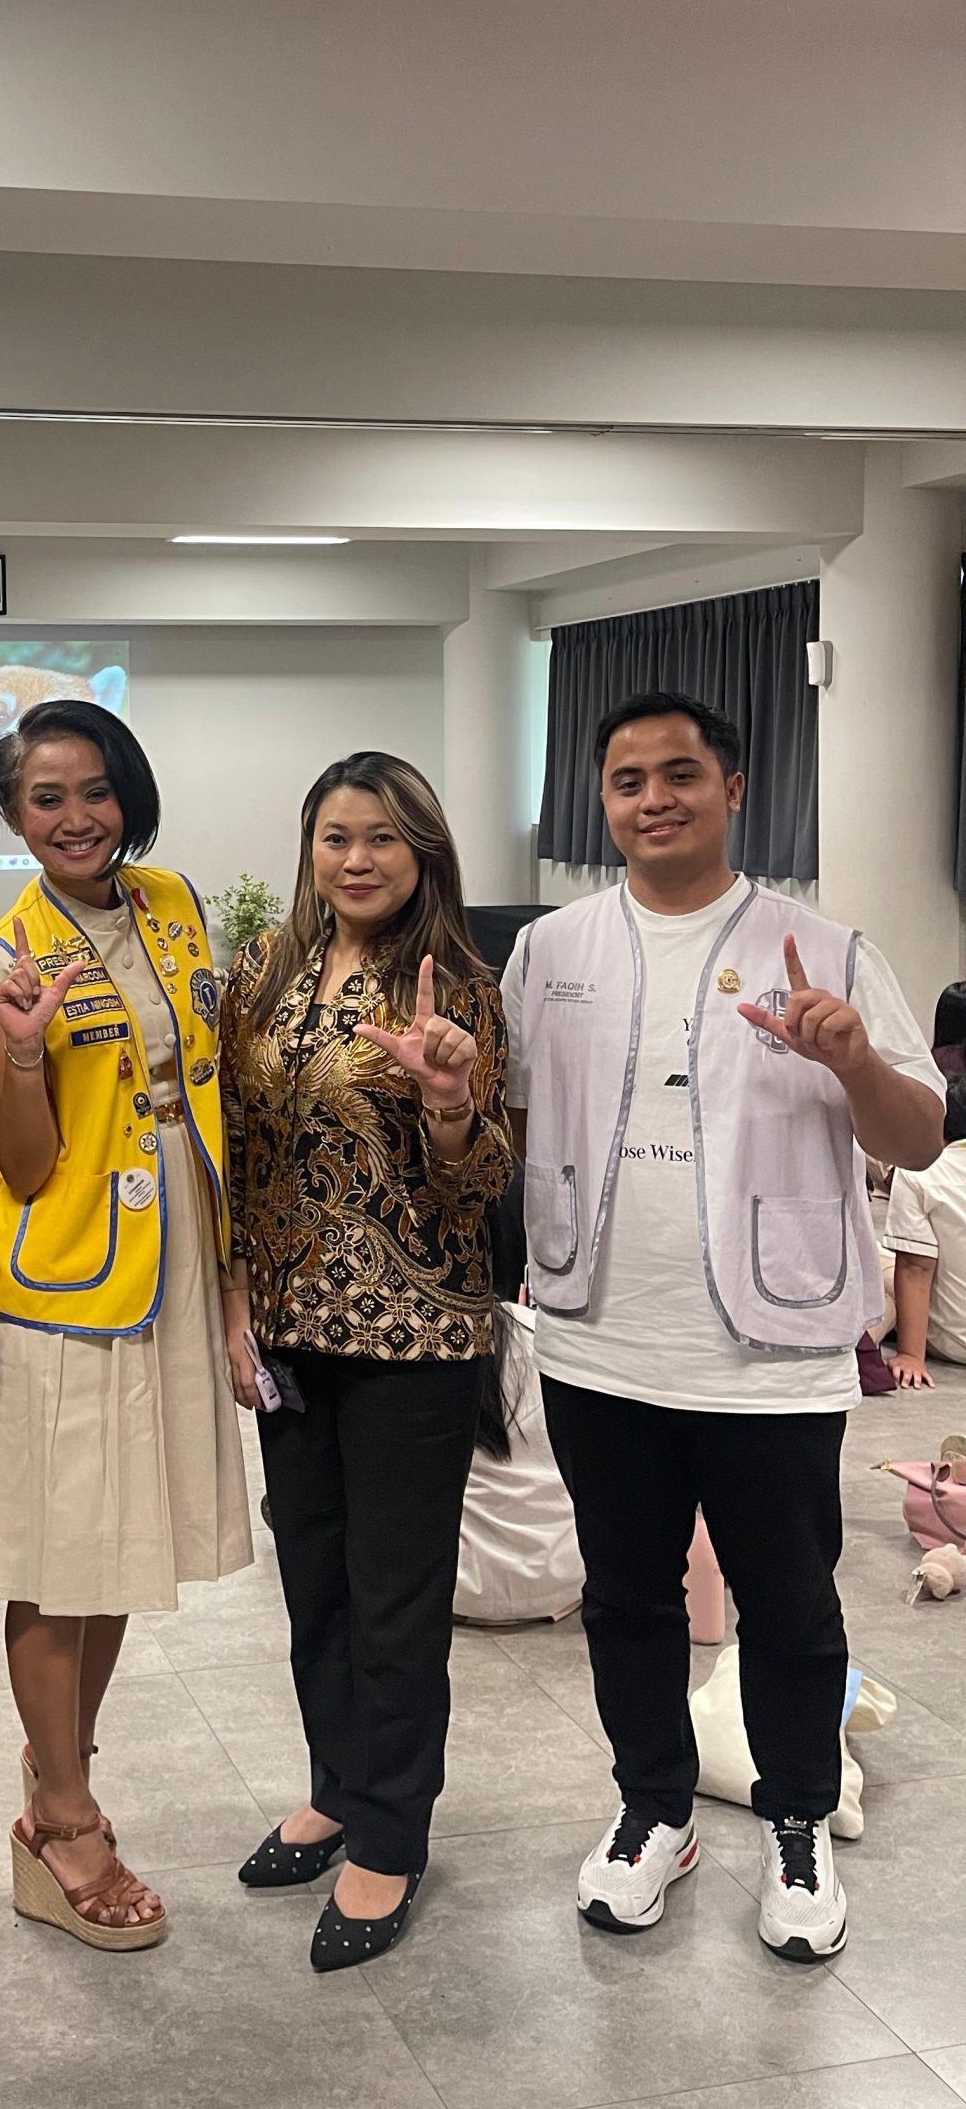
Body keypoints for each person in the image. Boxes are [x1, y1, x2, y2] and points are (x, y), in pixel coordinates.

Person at [504, 689, 943, 1961]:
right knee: (627, 1598)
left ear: (734, 788)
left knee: (790, 1606)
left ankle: (797, 1819)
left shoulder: (831, 950)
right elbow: (517, 1123)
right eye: (628, 778)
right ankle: (654, 1809)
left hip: (773, 1354)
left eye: (681, 773)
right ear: (604, 799)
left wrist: (853, 1060)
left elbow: (919, 1135)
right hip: (599, 1338)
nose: (655, 798)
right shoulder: (551, 949)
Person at [0, 699, 250, 1949]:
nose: (77, 818)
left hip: (174, 1246)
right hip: (65, 1279)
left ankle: (57, 1773)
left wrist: (234, 1269)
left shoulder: (170, 904)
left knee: (117, 1543)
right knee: (56, 1553)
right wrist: (22, 1053)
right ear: (12, 817)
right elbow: (18, 1162)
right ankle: (64, 1817)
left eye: (96, 789)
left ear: (130, 792)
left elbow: (207, 1073)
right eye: (46, 798)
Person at [220, 750, 511, 1970]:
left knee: (396, 1600)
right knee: (317, 1585)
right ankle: (339, 1784)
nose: (357, 858)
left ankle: (392, 1831)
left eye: (383, 837)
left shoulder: (460, 986)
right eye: (337, 836)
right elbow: (236, 1148)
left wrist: (448, 1100)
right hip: (291, 1335)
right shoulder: (262, 972)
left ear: (422, 851)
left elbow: (483, 1178)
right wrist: (237, 1298)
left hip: (415, 1336)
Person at [880, 1070, 966, 1386]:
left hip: (953, 1343)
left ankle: (862, 1348)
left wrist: (911, 1355)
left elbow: (916, 1266)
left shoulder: (920, 1172)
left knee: (874, 1260)